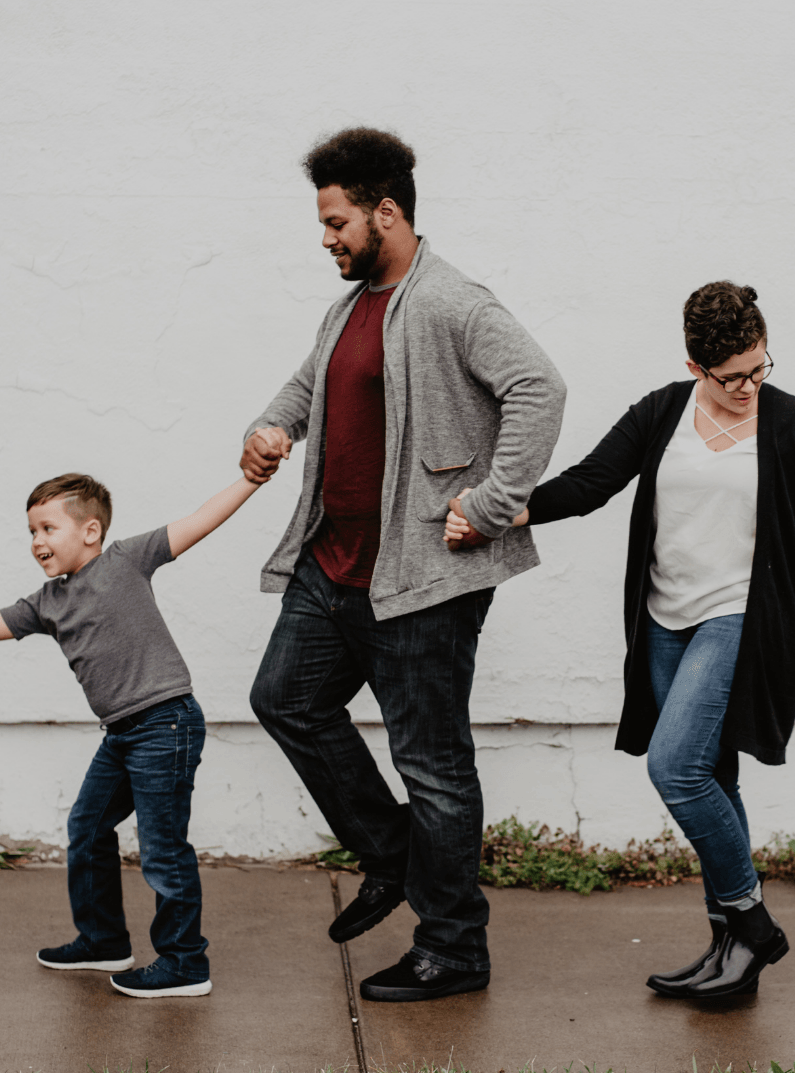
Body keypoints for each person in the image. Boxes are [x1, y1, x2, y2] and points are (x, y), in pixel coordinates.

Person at [445, 281, 795, 998]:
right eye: (732, 377)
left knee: (677, 769)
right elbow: (592, 482)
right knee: (713, 777)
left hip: (740, 618)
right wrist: (498, 513)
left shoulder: (794, 426)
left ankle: (753, 924)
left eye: (761, 368)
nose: (749, 386)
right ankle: (730, 953)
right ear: (697, 367)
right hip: (664, 621)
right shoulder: (665, 412)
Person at [239, 128, 566, 1002]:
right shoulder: (349, 306)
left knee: (433, 763)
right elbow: (310, 385)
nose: (326, 237)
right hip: (333, 565)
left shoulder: (453, 302)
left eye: (337, 220)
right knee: (285, 699)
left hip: (420, 578)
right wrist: (270, 428)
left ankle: (454, 946)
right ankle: (392, 856)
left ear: (386, 212)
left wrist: (492, 503)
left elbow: (541, 388)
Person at [0, 470, 264, 998]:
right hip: (122, 733)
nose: (37, 542)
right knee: (88, 826)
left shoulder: (127, 559)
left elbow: (199, 521)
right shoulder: (48, 602)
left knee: (162, 848)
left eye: (48, 528)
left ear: (90, 530)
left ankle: (185, 962)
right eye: (30, 531)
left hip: (165, 723)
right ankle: (103, 940)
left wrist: (251, 480)